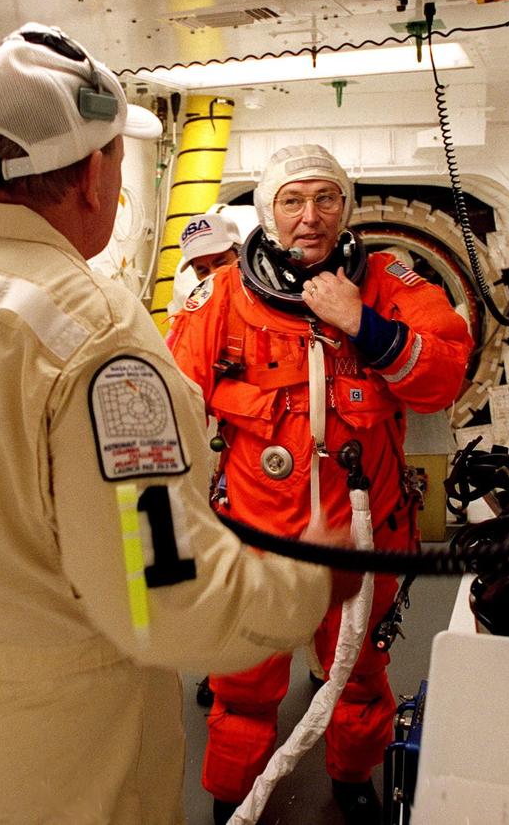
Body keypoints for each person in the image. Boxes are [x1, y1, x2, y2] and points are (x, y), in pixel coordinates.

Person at [0, 24, 359, 825]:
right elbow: (164, 602)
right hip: (69, 763)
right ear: (91, 173)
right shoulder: (98, 339)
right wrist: (311, 582)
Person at [167, 143, 474, 824]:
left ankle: (352, 775)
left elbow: (444, 370)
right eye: (293, 201)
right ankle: (230, 794)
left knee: (361, 674)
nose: (312, 217)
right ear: (269, 216)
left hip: (365, 537)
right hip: (258, 538)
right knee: (242, 682)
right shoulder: (223, 301)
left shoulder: (391, 285)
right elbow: (174, 406)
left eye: (326, 198)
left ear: (346, 208)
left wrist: (362, 324)